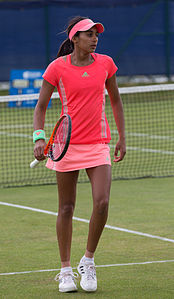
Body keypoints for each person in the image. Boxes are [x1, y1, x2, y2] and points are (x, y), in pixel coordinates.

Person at [33, 16, 126, 293]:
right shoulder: (56, 69)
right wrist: (39, 138)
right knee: (67, 208)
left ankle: (87, 260)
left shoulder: (106, 64)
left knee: (102, 202)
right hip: (68, 146)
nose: (95, 38)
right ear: (75, 39)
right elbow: (40, 107)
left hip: (98, 143)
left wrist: (122, 136)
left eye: (96, 34)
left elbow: (116, 99)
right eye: (89, 34)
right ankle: (65, 271)